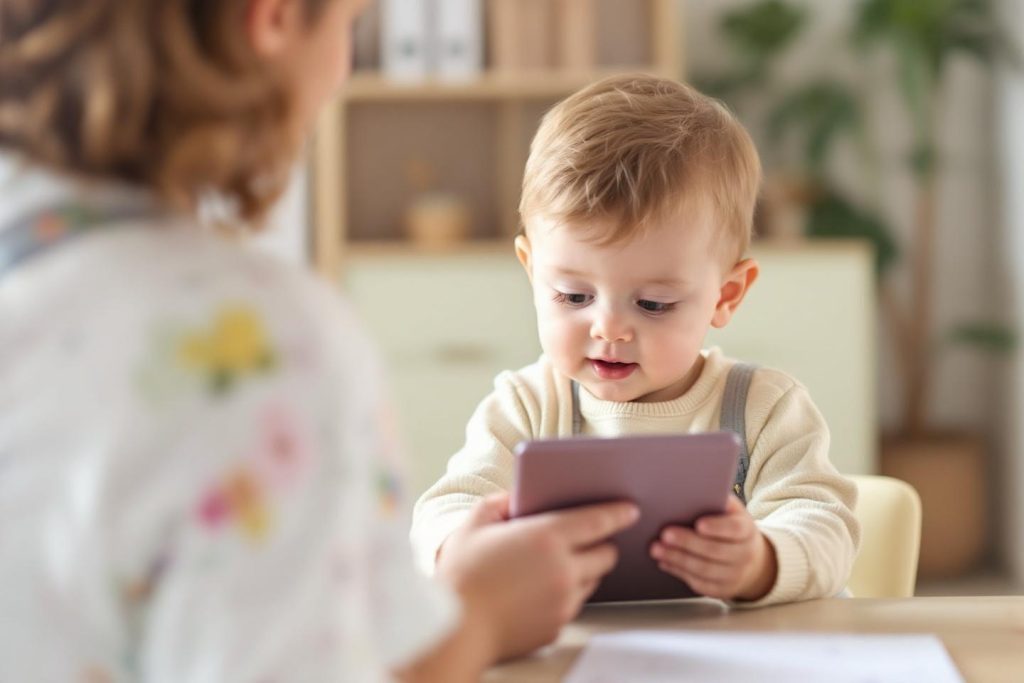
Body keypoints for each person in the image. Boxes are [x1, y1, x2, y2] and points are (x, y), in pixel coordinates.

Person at [0, 1, 640, 680]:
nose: (342, 70)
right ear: (272, 18)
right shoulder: (251, 350)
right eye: (350, 27)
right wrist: (478, 614)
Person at [412, 74, 860, 606]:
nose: (609, 328)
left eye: (652, 304)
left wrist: (761, 561)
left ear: (726, 295)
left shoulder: (763, 408)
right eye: (574, 297)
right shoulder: (526, 406)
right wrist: (461, 549)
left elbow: (827, 526)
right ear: (532, 274)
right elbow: (444, 511)